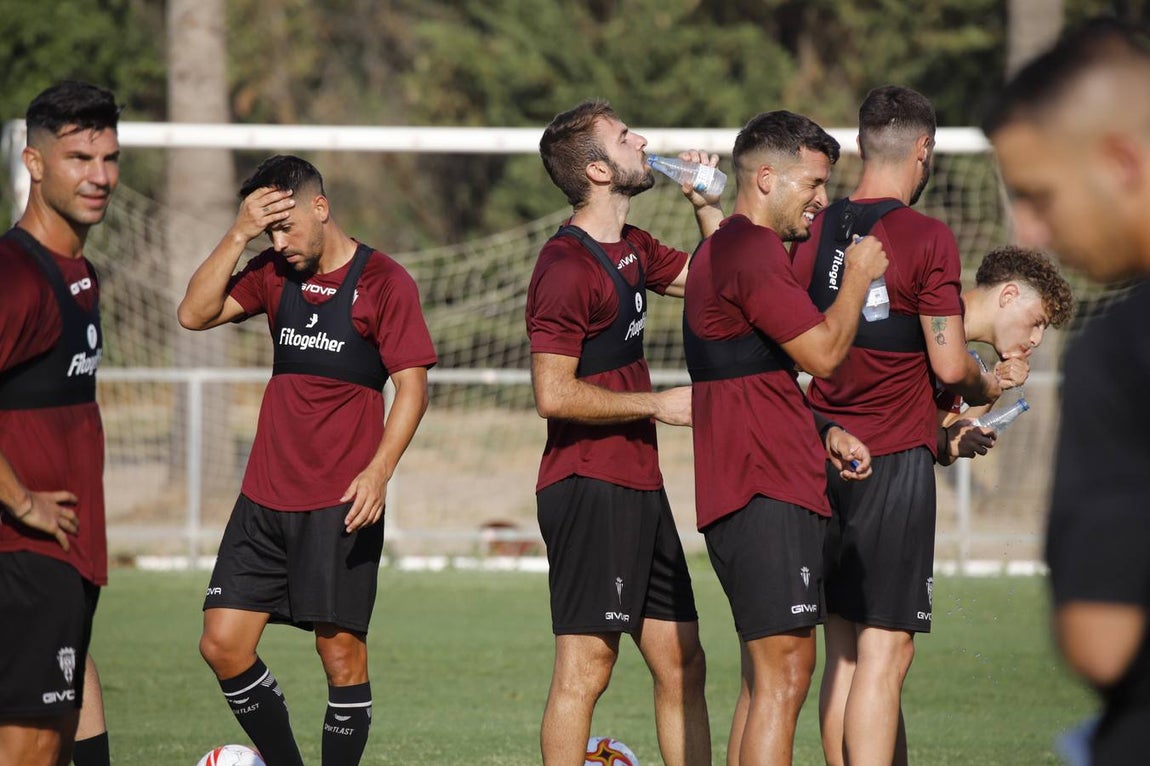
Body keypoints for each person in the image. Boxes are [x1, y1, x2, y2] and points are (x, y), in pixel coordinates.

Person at [177, 155, 436, 766]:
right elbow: (194, 314)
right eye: (269, 230)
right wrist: (239, 234)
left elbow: (414, 387)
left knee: (341, 657)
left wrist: (378, 471)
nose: (280, 242)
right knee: (222, 644)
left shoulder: (385, 282)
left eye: (286, 226)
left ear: (320, 208)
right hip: (262, 498)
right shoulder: (272, 273)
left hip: (339, 503)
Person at [789, 85, 1021, 766]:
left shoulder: (812, 226)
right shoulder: (925, 236)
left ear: (861, 145)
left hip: (819, 450)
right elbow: (950, 367)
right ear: (924, 150)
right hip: (891, 462)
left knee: (842, 653)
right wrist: (992, 379)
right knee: (885, 651)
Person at [684, 109, 887, 766]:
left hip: (757, 480)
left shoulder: (726, 248)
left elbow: (755, 373)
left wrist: (822, 429)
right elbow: (825, 355)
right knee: (787, 674)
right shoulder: (748, 247)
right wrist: (857, 276)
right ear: (766, 178)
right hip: (762, 485)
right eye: (814, 184)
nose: (823, 200)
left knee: (766, 680)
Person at [526, 99, 722, 766]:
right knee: (587, 667)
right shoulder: (564, 265)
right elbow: (551, 395)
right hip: (587, 486)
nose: (643, 139)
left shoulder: (635, 247)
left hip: (640, 484)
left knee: (683, 661)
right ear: (598, 171)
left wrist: (703, 203)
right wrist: (655, 403)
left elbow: (720, 282)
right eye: (624, 136)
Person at [983, 18, 1150, 765]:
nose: (1031, 229)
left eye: (1038, 194)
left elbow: (1101, 639)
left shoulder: (1120, 352)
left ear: (1121, 161)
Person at [0, 81, 119, 766]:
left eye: (109, 158)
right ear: (35, 163)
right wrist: (21, 502)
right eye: (78, 157)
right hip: (23, 557)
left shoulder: (81, 273)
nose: (98, 176)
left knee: (47, 746)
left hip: (65, 559)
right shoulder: (17, 273)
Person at [934, 245, 1074, 464]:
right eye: (1036, 323)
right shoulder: (930, 318)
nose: (1036, 340)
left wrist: (996, 385)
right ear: (1008, 296)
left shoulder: (958, 351)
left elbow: (946, 445)